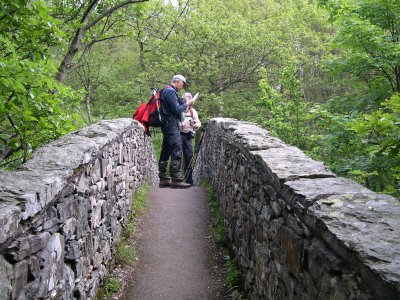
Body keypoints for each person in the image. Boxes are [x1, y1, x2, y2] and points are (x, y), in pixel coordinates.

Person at [158, 74, 196, 188]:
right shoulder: (169, 91)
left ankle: (164, 178)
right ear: (178, 81)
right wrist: (187, 104)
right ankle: (176, 178)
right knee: (177, 146)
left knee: (166, 149)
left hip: (167, 124)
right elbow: (176, 109)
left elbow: (176, 106)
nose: (183, 87)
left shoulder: (168, 91)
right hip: (170, 124)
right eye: (183, 84)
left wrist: (184, 103)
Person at [179, 92, 201, 185]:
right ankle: (176, 179)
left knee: (189, 157)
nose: (191, 104)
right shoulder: (179, 110)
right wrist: (182, 124)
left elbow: (198, 122)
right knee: (177, 156)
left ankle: (189, 180)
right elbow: (175, 123)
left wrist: (196, 125)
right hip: (179, 135)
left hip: (188, 136)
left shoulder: (193, 111)